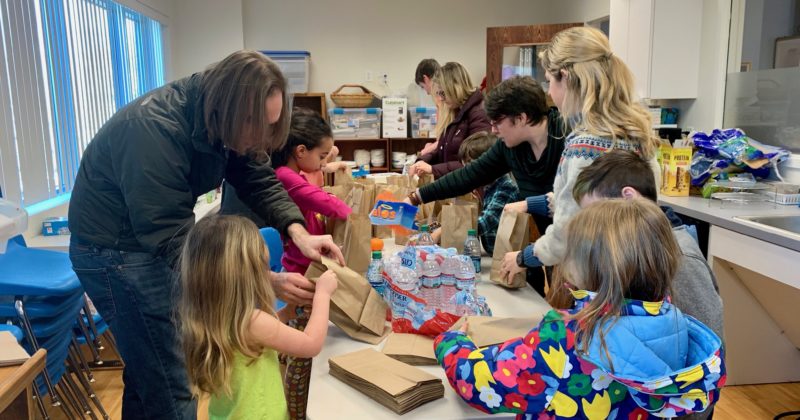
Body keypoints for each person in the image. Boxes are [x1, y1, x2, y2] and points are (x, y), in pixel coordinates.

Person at [68, 50, 343, 419]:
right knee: (170, 378)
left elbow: (257, 175)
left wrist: (297, 231)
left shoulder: (228, 120)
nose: (260, 137)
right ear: (231, 110)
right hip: (114, 251)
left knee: (149, 365)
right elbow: (167, 236)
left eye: (270, 125)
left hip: (147, 239)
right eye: (258, 126)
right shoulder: (152, 130)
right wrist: (264, 280)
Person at [435, 199, 726, 418]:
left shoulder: (567, 336)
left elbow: (481, 382)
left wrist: (452, 342)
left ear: (591, 269)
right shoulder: (675, 324)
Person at [500, 26, 660, 284]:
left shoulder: (585, 143)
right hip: (637, 271)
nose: (549, 92)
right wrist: (533, 204)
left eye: (550, 81)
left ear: (566, 77)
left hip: (597, 280)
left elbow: (568, 229)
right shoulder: (636, 132)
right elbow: (593, 199)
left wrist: (523, 258)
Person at [405, 75, 565, 294]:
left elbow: (574, 204)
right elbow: (468, 175)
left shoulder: (567, 139)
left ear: (521, 118)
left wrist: (529, 204)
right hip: (549, 247)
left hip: (581, 245)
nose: (493, 130)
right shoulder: (510, 146)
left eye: (497, 122)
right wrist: (416, 197)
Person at [178, 215, 338, 420]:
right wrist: (323, 295)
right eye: (264, 268)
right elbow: (311, 344)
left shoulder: (211, 317)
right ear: (247, 277)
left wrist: (287, 313)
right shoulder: (252, 321)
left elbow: (255, 339)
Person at [569, 149, 724, 342]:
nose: (592, 223)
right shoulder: (631, 247)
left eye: (596, 212)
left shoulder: (679, 257)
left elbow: (710, 343)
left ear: (628, 197)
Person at [429, 131, 519, 254]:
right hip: (492, 254)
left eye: (472, 169)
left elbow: (484, 223)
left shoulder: (506, 188)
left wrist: (444, 230)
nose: (469, 175)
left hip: (504, 256)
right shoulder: (488, 187)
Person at [409, 62, 491, 178]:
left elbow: (475, 163)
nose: (441, 99)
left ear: (455, 87)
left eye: (443, 93)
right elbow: (443, 149)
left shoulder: (478, 114)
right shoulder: (457, 111)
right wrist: (422, 161)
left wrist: (433, 169)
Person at [414, 58, 442, 156]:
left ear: (426, 79)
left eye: (422, 86)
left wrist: (425, 151)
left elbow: (448, 141)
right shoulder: (440, 100)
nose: (426, 92)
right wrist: (433, 145)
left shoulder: (443, 101)